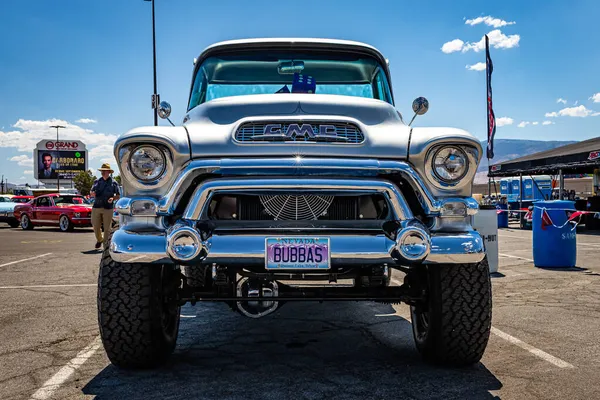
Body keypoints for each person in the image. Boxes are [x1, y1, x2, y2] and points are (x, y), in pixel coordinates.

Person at [90, 163, 120, 249]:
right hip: (97, 206)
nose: (103, 172)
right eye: (102, 171)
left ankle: (106, 246)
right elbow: (91, 191)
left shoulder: (114, 183)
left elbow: (118, 195)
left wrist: (112, 198)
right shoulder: (97, 181)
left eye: (104, 171)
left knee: (107, 228)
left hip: (108, 208)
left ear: (109, 172)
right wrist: (92, 193)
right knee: (95, 226)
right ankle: (100, 239)